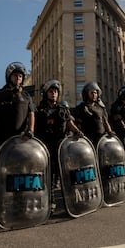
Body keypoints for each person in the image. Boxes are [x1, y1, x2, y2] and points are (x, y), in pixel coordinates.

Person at [0, 62, 35, 189]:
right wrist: (9, 93)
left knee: (19, 173)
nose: (18, 78)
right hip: (1, 139)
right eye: (15, 75)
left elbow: (31, 113)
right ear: (9, 76)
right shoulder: (0, 92)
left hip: (20, 140)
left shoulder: (26, 96)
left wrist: (30, 130)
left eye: (20, 76)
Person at [34, 79, 83, 210]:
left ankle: (70, 202)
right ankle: (50, 202)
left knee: (65, 174)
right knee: (48, 176)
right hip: (46, 147)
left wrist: (77, 131)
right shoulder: (39, 110)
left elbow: (69, 123)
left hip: (61, 146)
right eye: (51, 91)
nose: (54, 94)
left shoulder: (62, 109)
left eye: (55, 91)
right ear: (46, 93)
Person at [73, 82, 114, 146]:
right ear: (87, 94)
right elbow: (76, 122)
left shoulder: (101, 108)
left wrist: (110, 131)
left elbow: (105, 122)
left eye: (95, 93)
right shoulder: (81, 108)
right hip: (88, 140)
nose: (94, 95)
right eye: (92, 93)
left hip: (101, 140)